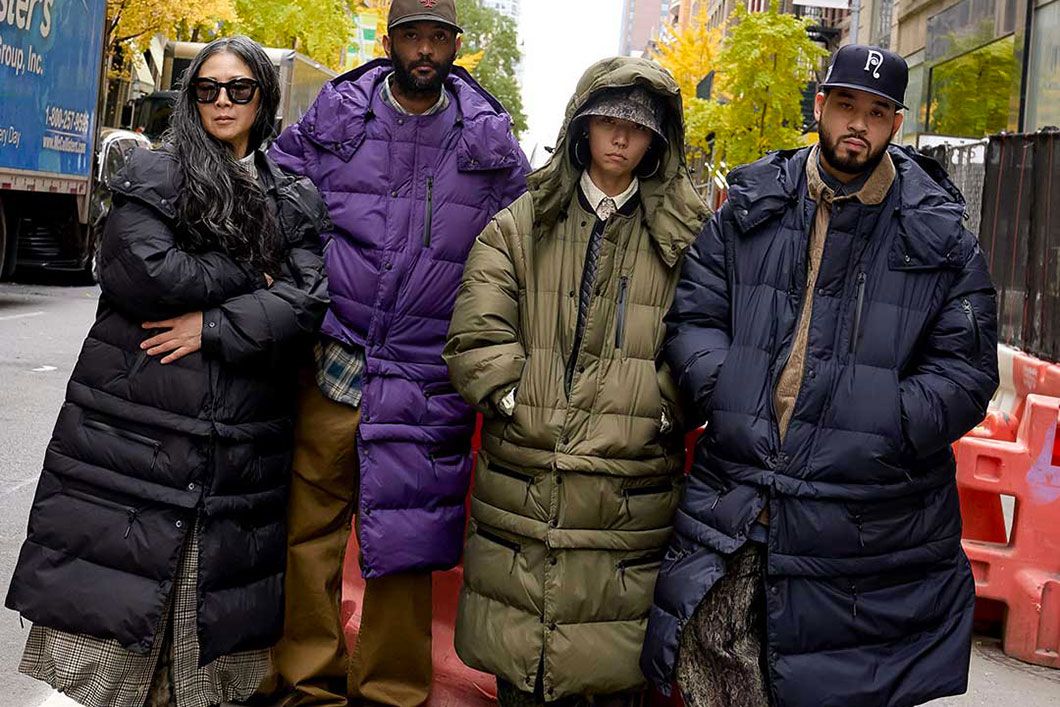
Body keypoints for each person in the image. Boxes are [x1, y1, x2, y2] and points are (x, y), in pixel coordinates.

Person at [640, 45, 1000, 707]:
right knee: (711, 669)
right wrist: (730, 393)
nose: (858, 124)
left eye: (877, 112)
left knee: (837, 684)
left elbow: (965, 372)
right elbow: (694, 316)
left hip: (868, 518)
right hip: (741, 493)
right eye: (846, 106)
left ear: (896, 124)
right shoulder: (751, 206)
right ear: (821, 107)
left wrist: (882, 424)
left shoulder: (940, 234)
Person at [6, 36, 329, 707]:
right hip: (140, 424)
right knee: (122, 604)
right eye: (207, 88)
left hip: (239, 437)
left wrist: (211, 326)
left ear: (264, 97)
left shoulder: (292, 194)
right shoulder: (154, 171)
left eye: (239, 88)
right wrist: (253, 272)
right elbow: (146, 272)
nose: (222, 101)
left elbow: (307, 302)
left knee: (204, 616)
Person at [262, 0, 529, 704]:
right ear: (391, 41)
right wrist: (303, 284)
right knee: (309, 535)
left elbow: (524, 248)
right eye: (413, 36)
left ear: (455, 47)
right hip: (335, 359)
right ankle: (307, 685)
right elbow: (275, 196)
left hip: (426, 374)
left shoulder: (489, 143)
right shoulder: (338, 116)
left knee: (406, 547)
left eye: (438, 38)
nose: (425, 50)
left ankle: (391, 693)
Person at [444, 56, 709, 707]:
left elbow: (707, 340)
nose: (620, 137)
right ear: (582, 126)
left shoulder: (688, 239)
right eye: (608, 121)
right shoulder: (522, 222)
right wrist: (514, 398)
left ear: (658, 140)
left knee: (613, 671)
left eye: (638, 127)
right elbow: (478, 328)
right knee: (520, 668)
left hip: (628, 490)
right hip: (525, 479)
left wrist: (657, 409)